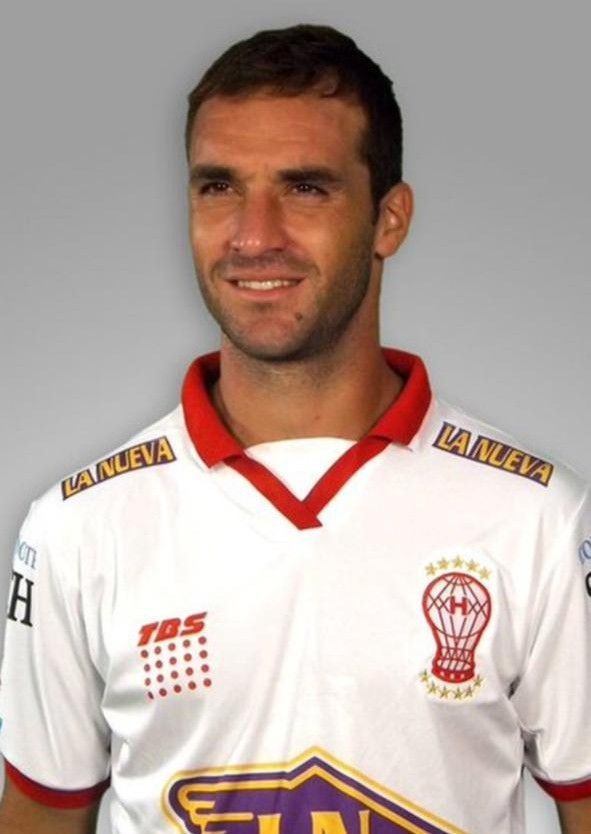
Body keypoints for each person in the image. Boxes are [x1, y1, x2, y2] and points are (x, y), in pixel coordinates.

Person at [0, 22, 589, 834]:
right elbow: (40, 815)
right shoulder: (77, 527)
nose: (254, 234)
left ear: (389, 219)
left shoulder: (537, 519)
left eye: (305, 187)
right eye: (218, 187)